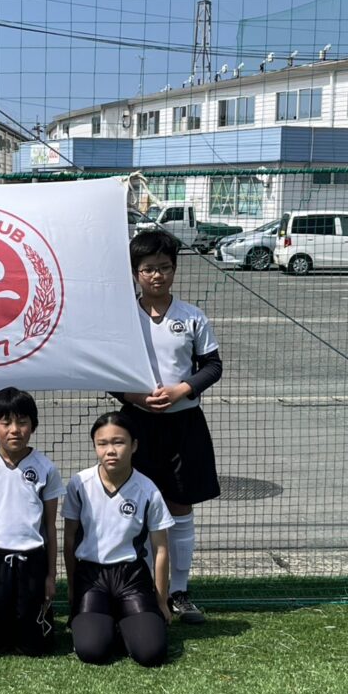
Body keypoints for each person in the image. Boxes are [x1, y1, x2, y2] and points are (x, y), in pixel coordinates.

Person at [114, 228, 222, 624]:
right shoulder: (123, 319)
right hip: (137, 425)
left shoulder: (192, 317)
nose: (157, 275)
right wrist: (136, 398)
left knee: (180, 506)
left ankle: (179, 591)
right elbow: (107, 372)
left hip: (184, 425)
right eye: (148, 269)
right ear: (135, 274)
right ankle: (144, 588)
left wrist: (182, 390)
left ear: (174, 270)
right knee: (140, 506)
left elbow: (212, 366)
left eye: (164, 267)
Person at [63, 411, 173, 666]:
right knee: (92, 651)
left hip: (131, 577)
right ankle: (106, 620)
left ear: (134, 445)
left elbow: (161, 549)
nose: (110, 450)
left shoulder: (148, 489)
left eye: (118, 442)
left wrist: (161, 600)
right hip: (91, 577)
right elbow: (69, 540)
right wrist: (71, 588)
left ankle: (124, 620)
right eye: (102, 443)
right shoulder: (79, 484)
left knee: (150, 653)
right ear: (95, 447)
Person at [0, 387, 64, 656]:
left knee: (35, 646)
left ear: (33, 426)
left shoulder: (46, 468)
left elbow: (50, 527)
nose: (14, 430)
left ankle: (31, 633)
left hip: (32, 560)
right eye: (5, 422)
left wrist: (51, 576)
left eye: (22, 421)